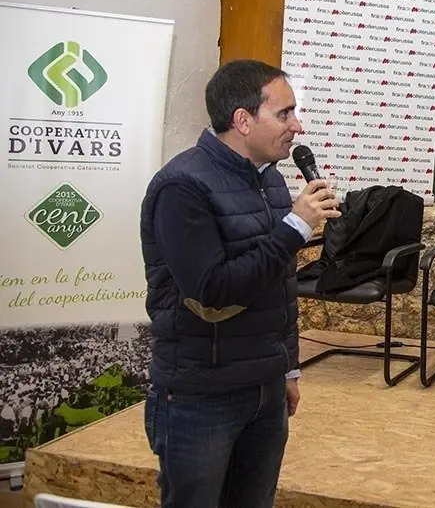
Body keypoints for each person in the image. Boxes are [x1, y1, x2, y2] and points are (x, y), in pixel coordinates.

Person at [139, 59, 341, 507]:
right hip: (201, 396)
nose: (298, 126)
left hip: (265, 388)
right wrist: (294, 228)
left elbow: (278, 286)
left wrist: (285, 367)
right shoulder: (182, 187)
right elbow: (212, 290)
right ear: (243, 121)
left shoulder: (269, 180)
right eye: (284, 113)